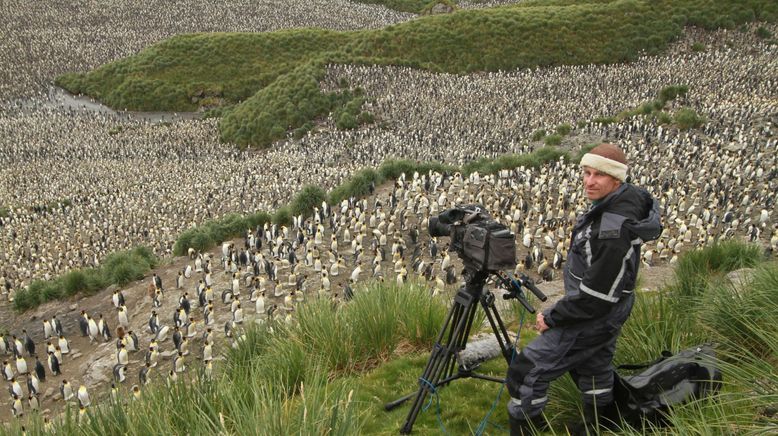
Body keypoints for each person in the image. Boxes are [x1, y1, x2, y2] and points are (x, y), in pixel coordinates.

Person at [506, 143, 662, 435]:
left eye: (599, 175)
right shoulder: (618, 206)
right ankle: (598, 425)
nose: (589, 181)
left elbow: (596, 297)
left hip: (594, 314)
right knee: (594, 367)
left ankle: (529, 428)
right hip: (610, 309)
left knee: (525, 371)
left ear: (616, 180)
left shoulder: (612, 231)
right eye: (586, 173)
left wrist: (553, 317)